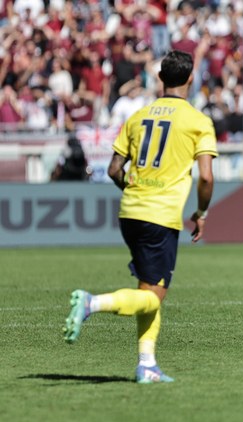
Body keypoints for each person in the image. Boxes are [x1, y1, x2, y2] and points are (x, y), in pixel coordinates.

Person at [62, 50, 217, 383]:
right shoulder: (198, 121)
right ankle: (91, 303)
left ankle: (147, 365)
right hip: (159, 217)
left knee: (149, 286)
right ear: (190, 79)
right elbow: (206, 177)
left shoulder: (136, 117)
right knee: (153, 296)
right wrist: (201, 213)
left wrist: (135, 191)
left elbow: (116, 169)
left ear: (160, 79)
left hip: (130, 211)